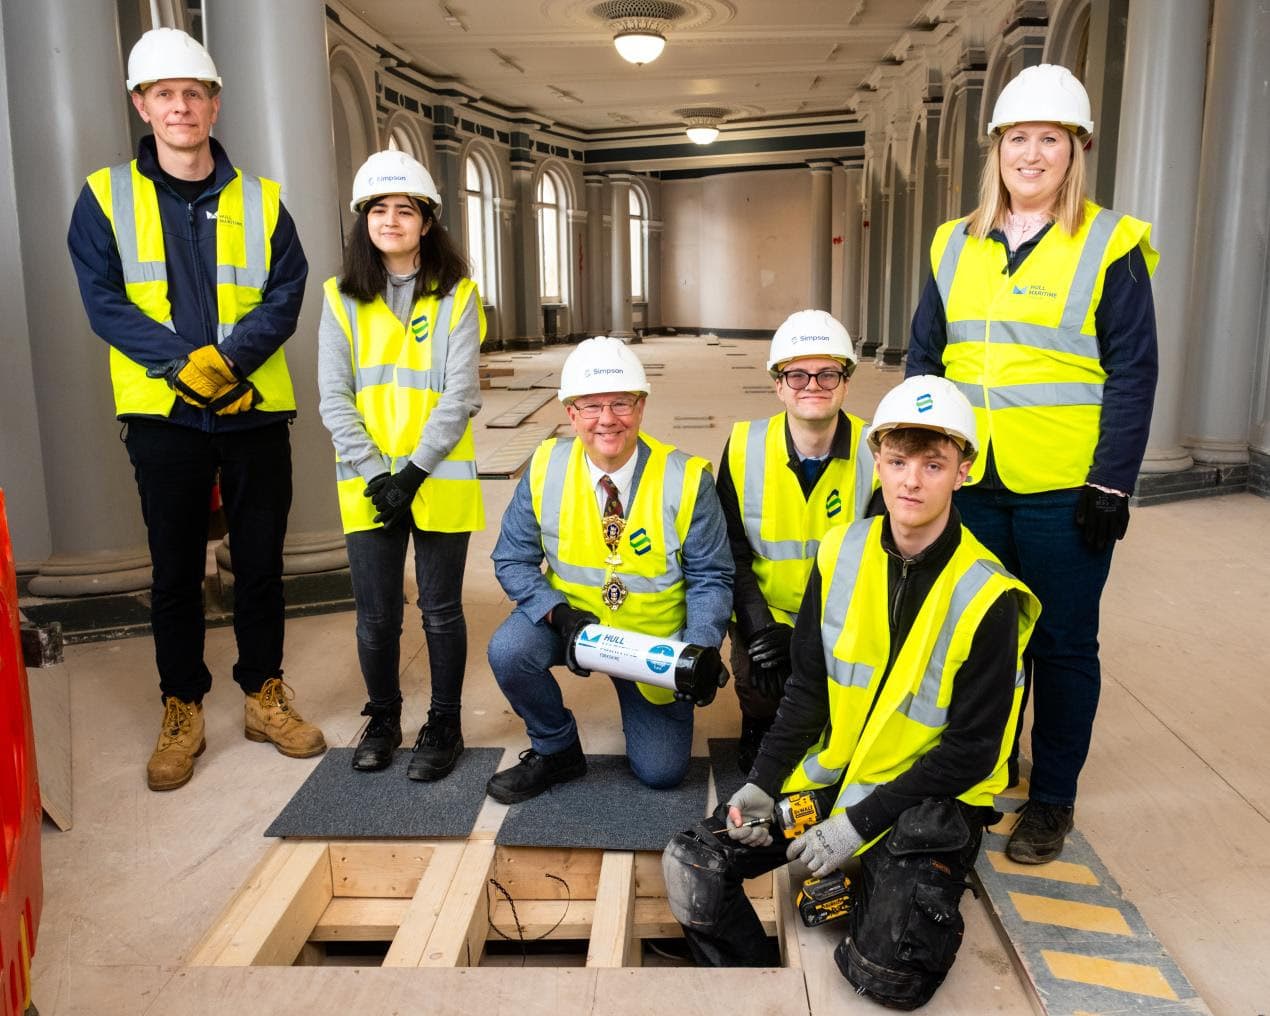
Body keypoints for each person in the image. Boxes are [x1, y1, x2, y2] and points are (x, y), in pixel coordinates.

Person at [662, 376, 1039, 1010]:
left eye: (933, 464)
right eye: (897, 462)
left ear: (963, 472)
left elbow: (971, 753)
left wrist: (854, 828)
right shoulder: (842, 551)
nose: (911, 482)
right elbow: (808, 690)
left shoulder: (989, 597)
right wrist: (762, 782)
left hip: (927, 800)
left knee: (886, 976)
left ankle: (879, 877)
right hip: (839, 778)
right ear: (877, 461)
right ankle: (757, 988)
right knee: (691, 868)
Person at [907, 64, 1158, 864]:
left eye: (1051, 138)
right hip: (972, 483)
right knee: (982, 640)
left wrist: (1112, 480)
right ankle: (979, 779)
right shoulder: (955, 241)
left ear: (1075, 150)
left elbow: (1133, 369)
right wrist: (918, 461)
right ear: (997, 150)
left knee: (1060, 646)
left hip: (1063, 489)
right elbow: (925, 356)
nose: (1033, 153)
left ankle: (1051, 799)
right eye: (1020, 138)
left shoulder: (1109, 242)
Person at [67, 27, 324, 792]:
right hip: (162, 417)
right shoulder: (104, 196)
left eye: (193, 94)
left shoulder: (263, 198)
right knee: (176, 570)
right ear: (142, 106)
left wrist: (232, 363)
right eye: (164, 95)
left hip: (253, 414)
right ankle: (181, 707)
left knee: (260, 567)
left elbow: (286, 292)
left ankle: (262, 693)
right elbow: (103, 300)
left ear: (213, 105)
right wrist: (184, 366)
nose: (180, 107)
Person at [485, 337, 733, 803]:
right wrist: (557, 614)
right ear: (570, 412)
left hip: (654, 644)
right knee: (509, 649)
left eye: (621, 403)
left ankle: (644, 696)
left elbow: (711, 576)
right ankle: (556, 748)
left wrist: (699, 646)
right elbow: (511, 559)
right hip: (573, 625)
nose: (607, 419)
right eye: (592, 405)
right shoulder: (545, 467)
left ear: (641, 406)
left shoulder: (687, 477)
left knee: (661, 773)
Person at [318, 151, 484, 781]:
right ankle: (384, 716)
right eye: (379, 209)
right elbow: (333, 396)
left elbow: (459, 392)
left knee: (440, 609)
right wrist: (375, 472)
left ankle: (445, 720)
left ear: (426, 221)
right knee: (377, 613)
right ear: (363, 220)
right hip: (367, 482)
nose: (391, 220)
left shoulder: (458, 296)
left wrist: (411, 472)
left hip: (436, 479)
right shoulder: (339, 299)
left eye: (404, 209)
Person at [716, 309, 876, 772]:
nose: (813, 385)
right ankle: (758, 722)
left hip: (842, 618)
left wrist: (807, 640)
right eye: (797, 374)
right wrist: (761, 627)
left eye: (828, 373)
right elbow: (733, 555)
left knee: (841, 724)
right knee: (763, 678)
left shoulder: (875, 451)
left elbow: (876, 568)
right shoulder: (745, 445)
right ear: (778, 384)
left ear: (846, 381)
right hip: (768, 612)